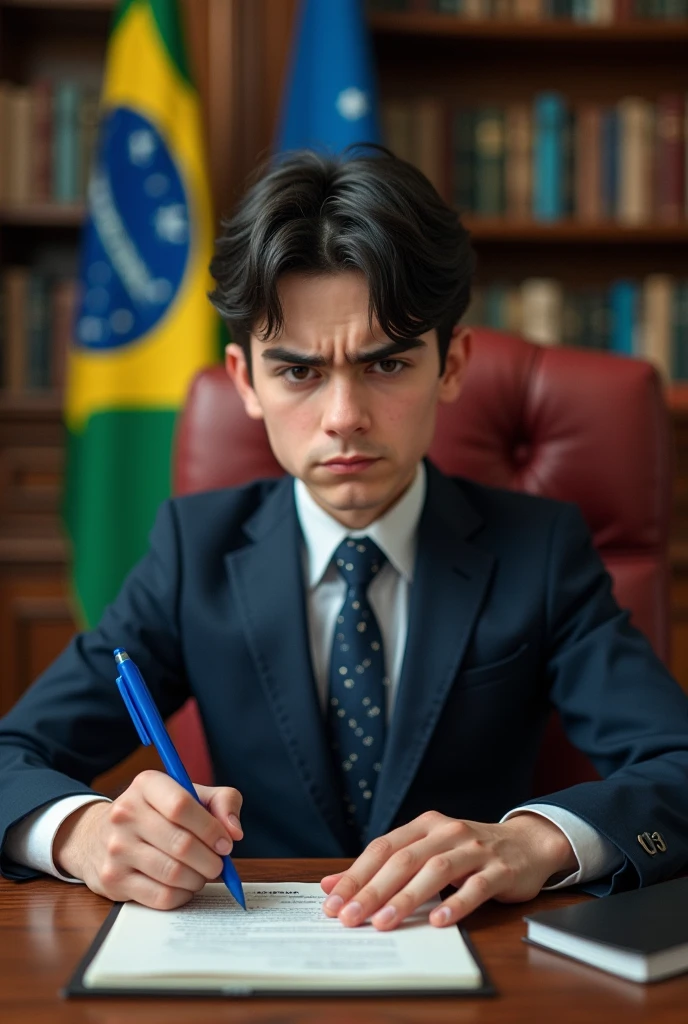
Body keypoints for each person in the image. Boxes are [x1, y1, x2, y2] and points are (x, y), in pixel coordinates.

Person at [1, 149, 688, 934]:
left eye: (386, 362)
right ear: (244, 383)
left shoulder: (540, 551)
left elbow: (679, 765)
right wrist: (83, 835)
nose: (343, 417)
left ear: (451, 363)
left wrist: (533, 841)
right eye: (297, 373)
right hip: (249, 951)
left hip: (472, 949)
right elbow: (10, 755)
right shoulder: (194, 551)